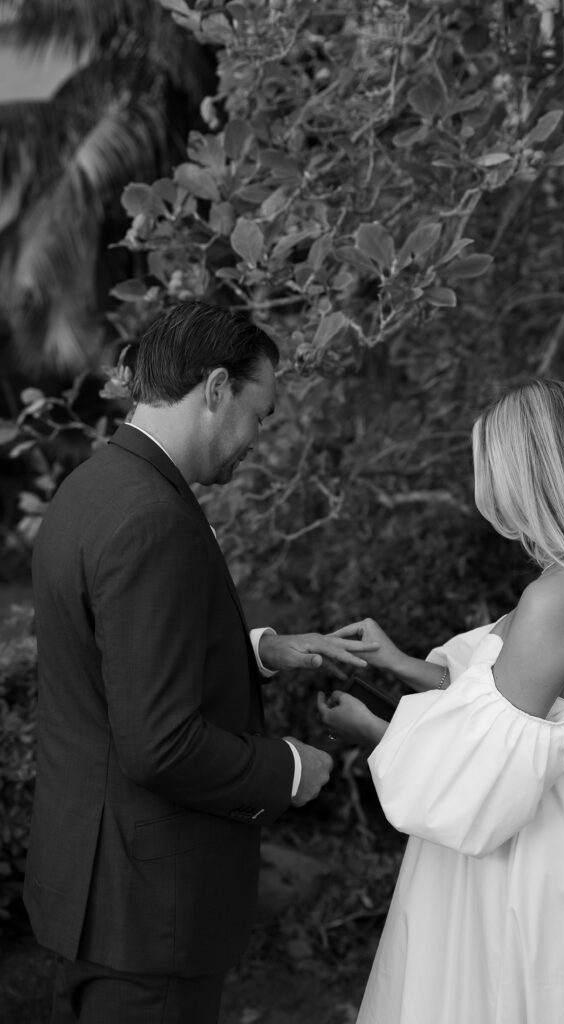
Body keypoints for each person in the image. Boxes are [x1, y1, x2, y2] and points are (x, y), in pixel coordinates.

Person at [25, 301, 378, 1024]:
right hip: (149, 908)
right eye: (261, 413)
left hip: (96, 887)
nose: (257, 436)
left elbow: (113, 663)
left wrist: (259, 650)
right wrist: (286, 766)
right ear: (215, 387)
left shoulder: (92, 488)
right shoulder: (153, 518)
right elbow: (160, 744)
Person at [318, 378, 564, 1024]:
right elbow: (522, 704)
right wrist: (399, 663)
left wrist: (371, 729)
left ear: (527, 477)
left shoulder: (556, 601)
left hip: (529, 873)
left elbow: (471, 782)